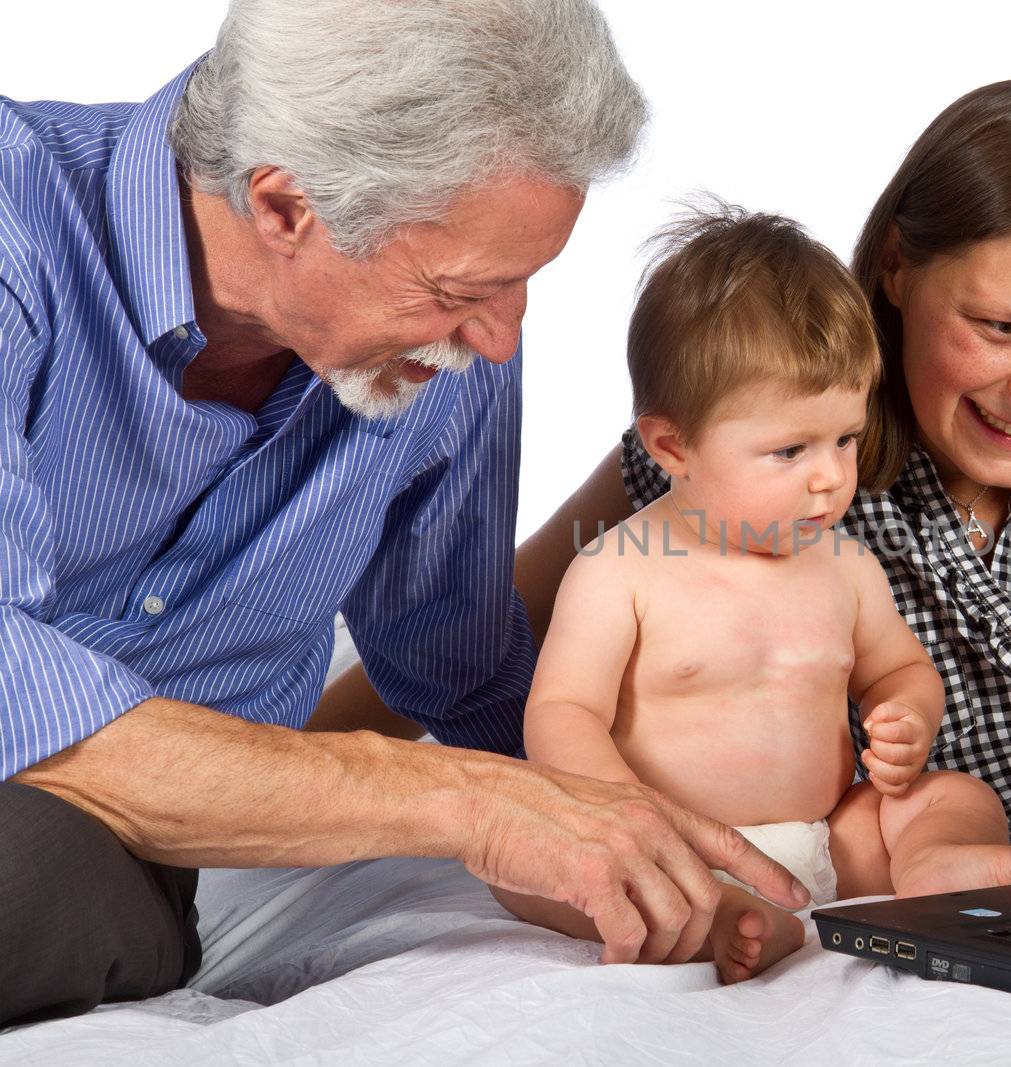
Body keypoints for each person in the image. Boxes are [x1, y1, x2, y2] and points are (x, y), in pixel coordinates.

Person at [0, 0, 809, 1027]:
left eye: (524, 284)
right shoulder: (14, 224)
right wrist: (457, 801)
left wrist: (657, 829)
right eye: (463, 287)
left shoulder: (447, 354)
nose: (502, 339)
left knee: (31, 856)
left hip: (98, 851)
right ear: (286, 206)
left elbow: (462, 666)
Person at [327, 78, 1011, 861]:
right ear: (894, 267)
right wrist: (291, 763)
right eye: (999, 328)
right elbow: (476, 627)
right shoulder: (765, 437)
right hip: (1004, 883)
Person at [487, 208, 1011, 983]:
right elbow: (563, 712)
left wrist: (907, 716)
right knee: (527, 865)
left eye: (844, 439)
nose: (829, 475)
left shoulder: (847, 565)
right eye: (789, 449)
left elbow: (899, 670)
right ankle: (719, 914)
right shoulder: (619, 570)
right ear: (671, 447)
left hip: (826, 840)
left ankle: (933, 861)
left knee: (950, 792)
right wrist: (626, 814)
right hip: (674, 844)